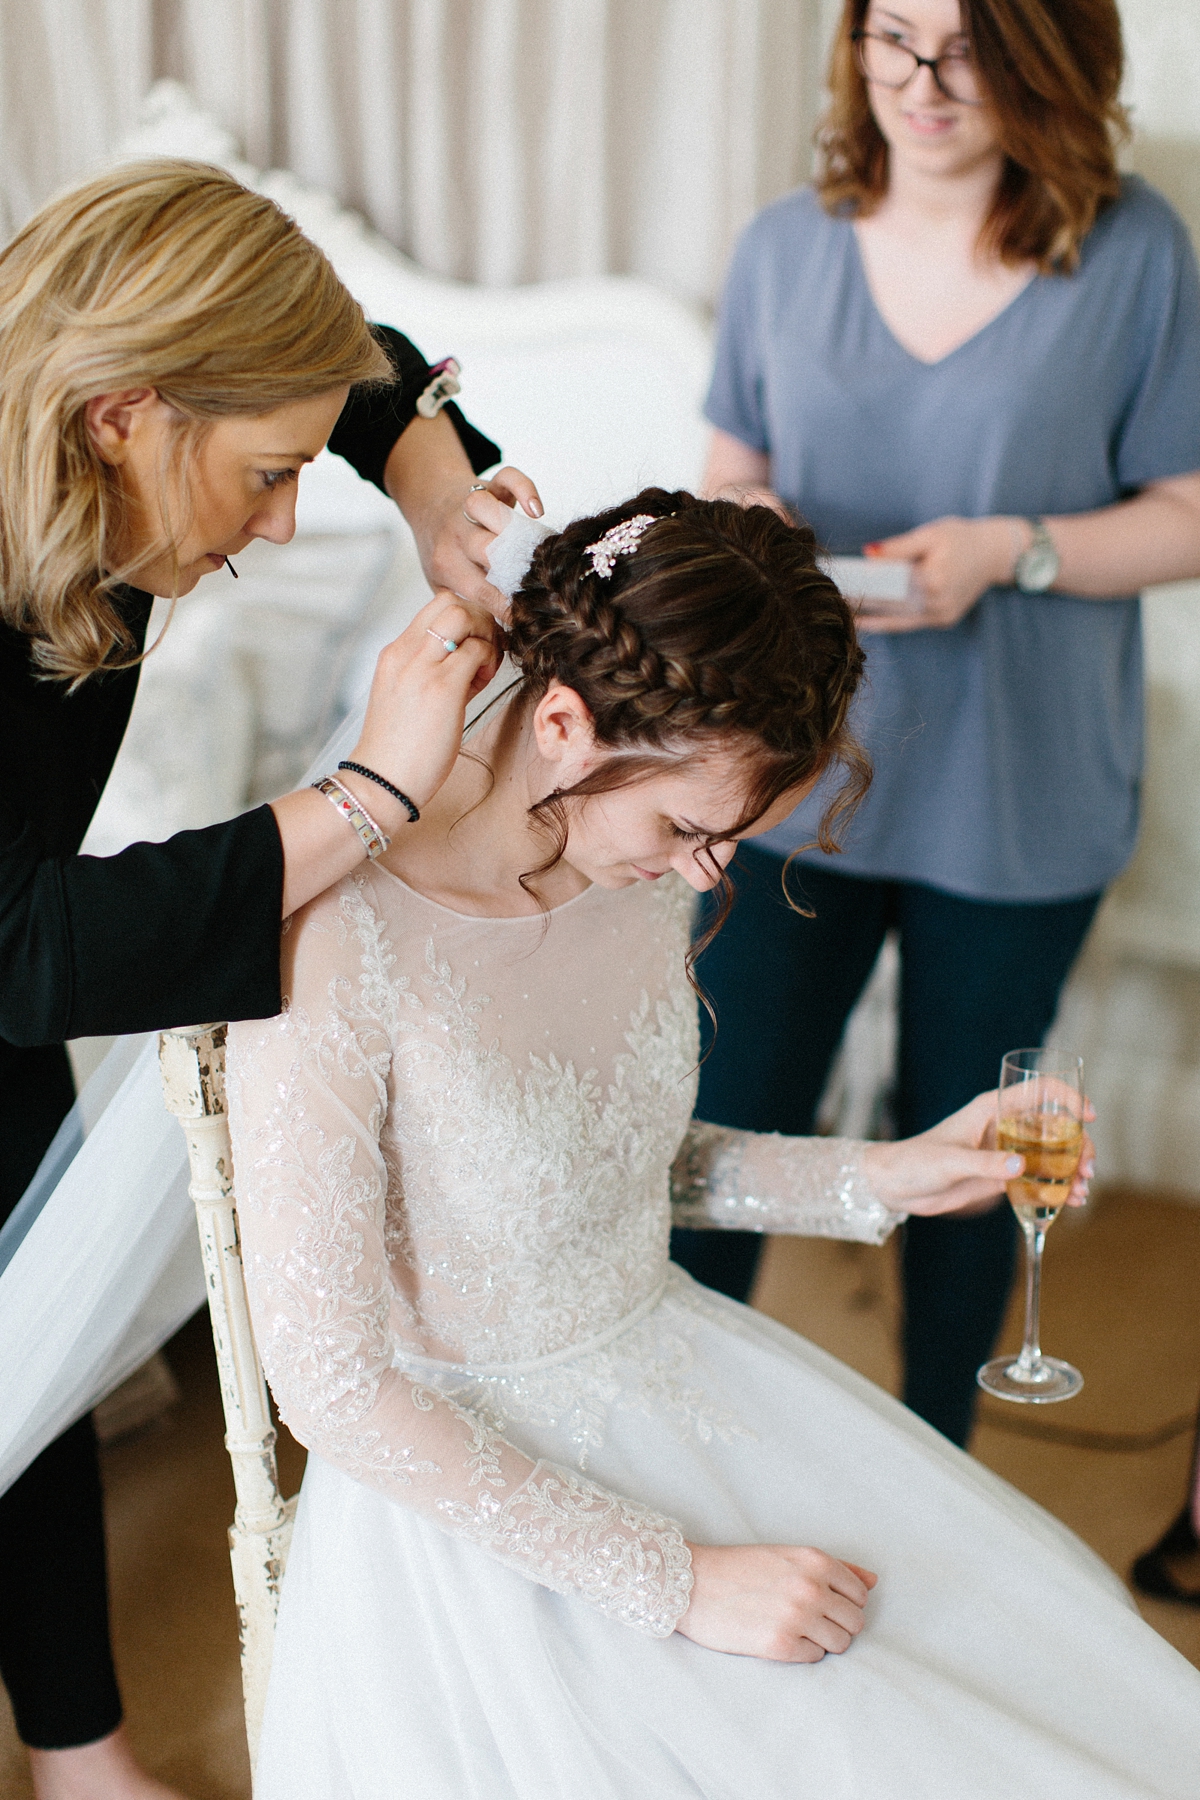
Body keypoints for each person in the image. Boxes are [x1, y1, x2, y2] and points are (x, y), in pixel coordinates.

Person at [226, 491, 1198, 1799]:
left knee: (1034, 1695)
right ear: (565, 726)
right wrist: (679, 1584)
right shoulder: (340, 930)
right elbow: (331, 1385)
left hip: (674, 1373)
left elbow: (624, 1162)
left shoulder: (619, 855)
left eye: (728, 840)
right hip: (472, 1515)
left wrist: (890, 1174)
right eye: (689, 831)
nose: (704, 876)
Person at [0, 159, 539, 1800]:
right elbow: (24, 954)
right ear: (122, 415)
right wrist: (364, 797)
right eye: (267, 475)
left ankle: (79, 1751)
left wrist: (438, 486)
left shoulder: (108, 412)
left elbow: (353, 351)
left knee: (31, 1350)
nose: (287, 520)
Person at [671, 0, 1200, 1448]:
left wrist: (1011, 551)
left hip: (1023, 800)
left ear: (1048, 57)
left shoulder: (1134, 250)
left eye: (966, 46)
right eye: (892, 37)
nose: (922, 79)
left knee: (972, 1159)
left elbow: (1189, 510)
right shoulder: (787, 244)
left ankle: (937, 1462)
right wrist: (756, 528)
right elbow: (734, 470)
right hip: (796, 782)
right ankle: (677, 1443)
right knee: (727, 1122)